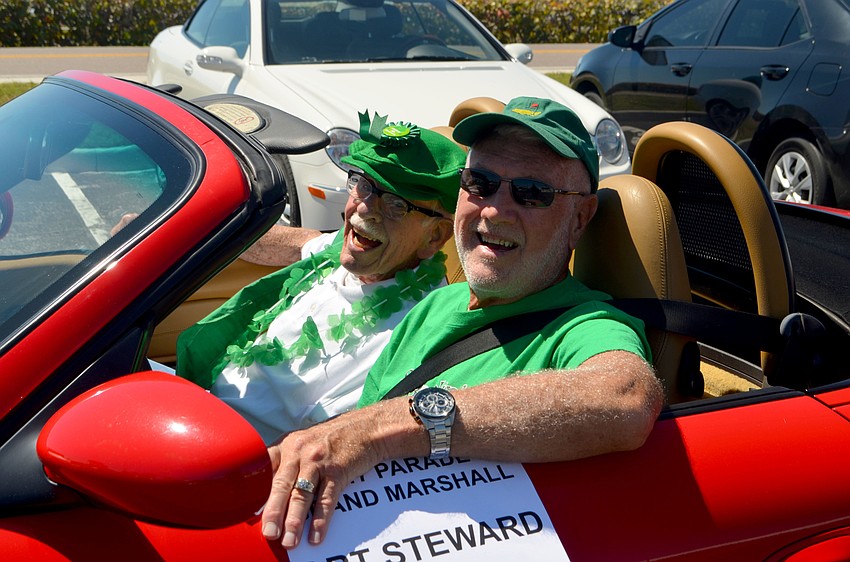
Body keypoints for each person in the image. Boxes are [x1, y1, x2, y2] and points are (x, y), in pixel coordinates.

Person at [259, 96, 665, 550]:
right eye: (480, 183)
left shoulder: (586, 324)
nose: (494, 209)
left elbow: (627, 397)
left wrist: (384, 431)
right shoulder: (436, 304)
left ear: (580, 218)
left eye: (532, 192)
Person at [175, 111, 467, 444]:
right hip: (198, 401)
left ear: (434, 237)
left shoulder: (410, 334)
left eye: (396, 205)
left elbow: (324, 445)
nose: (364, 209)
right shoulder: (346, 249)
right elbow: (289, 242)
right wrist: (184, 231)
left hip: (237, 451)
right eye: (364, 186)